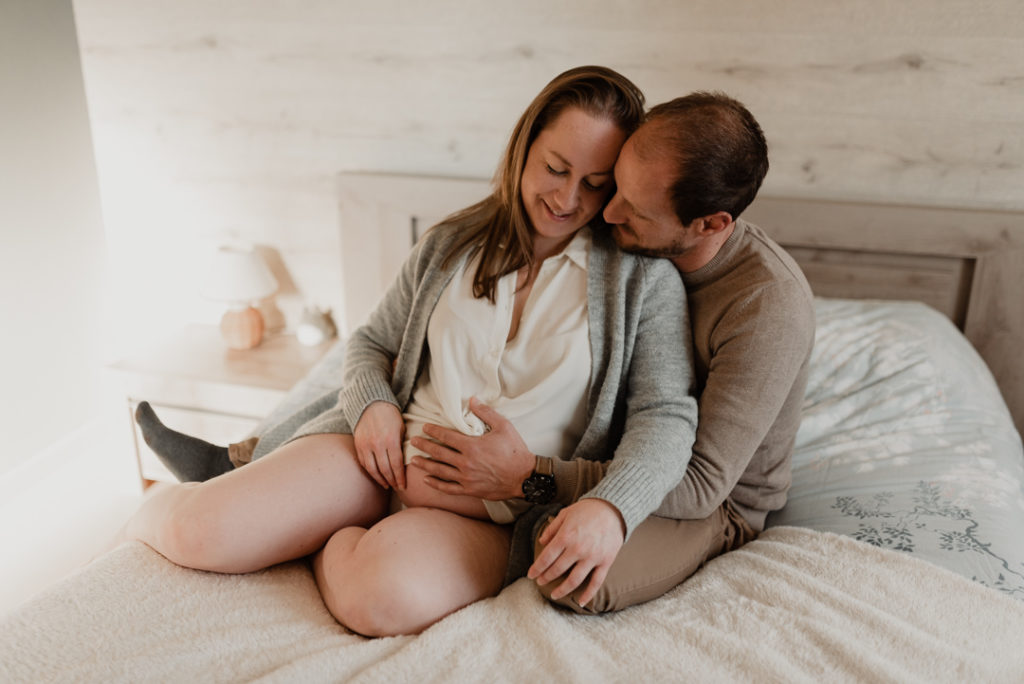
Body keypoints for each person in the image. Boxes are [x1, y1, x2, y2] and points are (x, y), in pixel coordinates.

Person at [119, 65, 699, 636]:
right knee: (199, 531)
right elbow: (372, 343)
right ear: (525, 147)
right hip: (375, 460)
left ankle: (322, 532)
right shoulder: (451, 244)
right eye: (555, 167)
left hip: (493, 515)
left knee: (381, 600)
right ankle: (176, 506)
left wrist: (613, 508)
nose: (568, 198)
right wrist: (373, 406)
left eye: (595, 183)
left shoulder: (642, 284)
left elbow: (665, 418)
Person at [411, 91, 816, 612]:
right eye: (614, 186)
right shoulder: (616, 234)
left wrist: (531, 477)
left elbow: (699, 485)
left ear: (710, 224)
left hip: (708, 502)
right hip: (614, 444)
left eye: (638, 209)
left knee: (569, 572)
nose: (608, 211)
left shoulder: (767, 308)